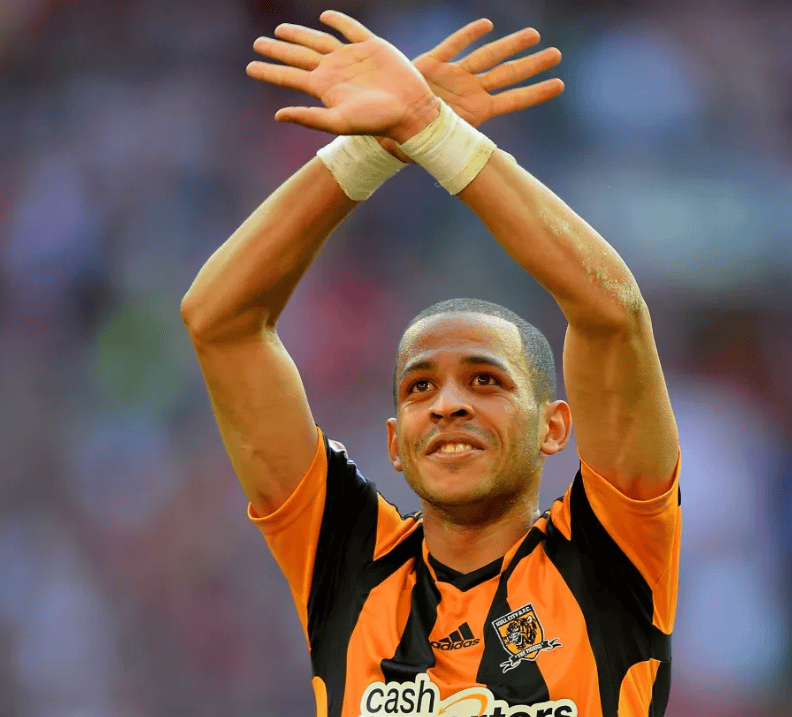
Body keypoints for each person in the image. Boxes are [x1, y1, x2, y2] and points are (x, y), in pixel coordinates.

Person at [182, 10, 681, 717]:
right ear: (394, 441)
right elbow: (217, 320)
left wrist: (433, 131)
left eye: (486, 379)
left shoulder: (609, 561)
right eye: (419, 387)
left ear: (553, 426)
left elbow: (613, 312)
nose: (448, 403)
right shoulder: (349, 567)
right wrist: (373, 148)